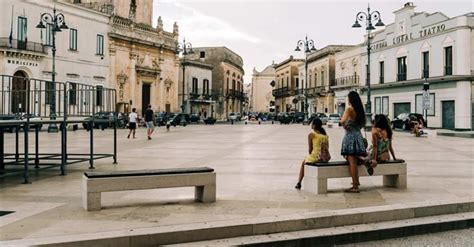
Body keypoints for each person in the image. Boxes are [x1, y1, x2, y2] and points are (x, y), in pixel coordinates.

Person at [340, 91, 367, 193]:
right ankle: (357, 181)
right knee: (355, 161)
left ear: (350, 99)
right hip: (358, 136)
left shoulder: (350, 109)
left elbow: (342, 121)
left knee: (352, 162)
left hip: (350, 137)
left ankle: (355, 186)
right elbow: (362, 124)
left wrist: (346, 127)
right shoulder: (360, 110)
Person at [295, 118, 330, 189]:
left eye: (312, 123)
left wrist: (311, 155)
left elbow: (310, 150)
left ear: (314, 126)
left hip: (315, 157)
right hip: (325, 158)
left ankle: (299, 182)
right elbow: (327, 148)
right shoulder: (325, 135)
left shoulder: (311, 135)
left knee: (303, 163)